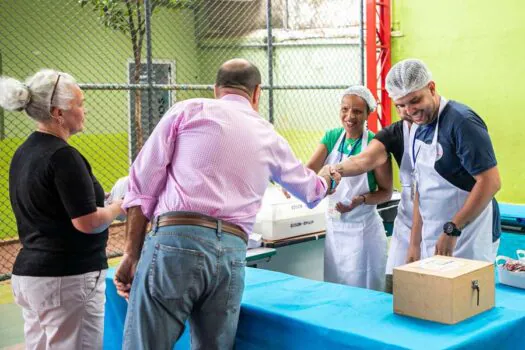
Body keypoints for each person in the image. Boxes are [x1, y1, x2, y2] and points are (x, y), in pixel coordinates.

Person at [114, 58, 340, 349]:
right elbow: (312, 191)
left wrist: (131, 255)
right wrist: (330, 177)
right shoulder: (268, 134)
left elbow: (142, 185)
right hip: (231, 255)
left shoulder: (188, 110)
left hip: (176, 242)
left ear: (215, 89)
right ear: (257, 92)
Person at [0, 70, 124, 349]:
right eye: (79, 104)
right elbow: (89, 222)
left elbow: (52, 203)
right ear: (58, 113)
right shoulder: (63, 155)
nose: (84, 110)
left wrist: (99, 200)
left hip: (32, 276)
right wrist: (117, 207)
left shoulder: (24, 152)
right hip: (66, 277)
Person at [385, 58, 501, 263]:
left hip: (469, 235)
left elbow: (491, 182)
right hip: (435, 235)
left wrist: (453, 229)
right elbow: (421, 186)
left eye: (415, 101)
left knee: (465, 294)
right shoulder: (417, 127)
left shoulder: (462, 121)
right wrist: (414, 243)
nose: (410, 111)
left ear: (431, 88)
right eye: (401, 105)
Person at [305, 86, 392, 291]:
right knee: (336, 289)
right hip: (335, 231)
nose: (349, 116)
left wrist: (360, 200)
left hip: (364, 232)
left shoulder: (374, 144)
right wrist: (292, 182)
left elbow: (386, 192)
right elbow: (309, 171)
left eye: (357, 111)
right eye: (345, 109)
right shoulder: (332, 138)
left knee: (366, 291)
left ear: (368, 114)